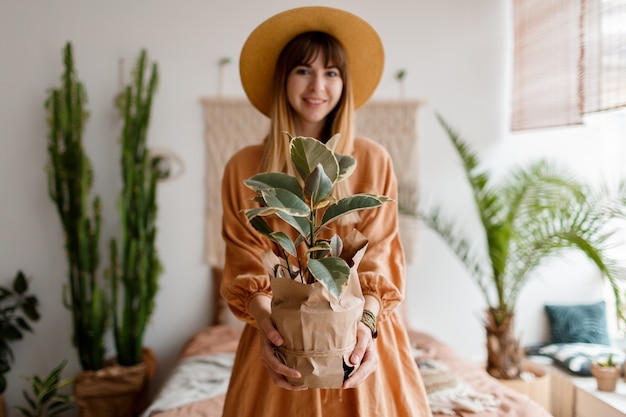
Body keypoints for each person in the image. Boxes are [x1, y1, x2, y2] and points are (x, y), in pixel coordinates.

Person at [220, 6, 432, 417]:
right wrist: (268, 329)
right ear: (283, 78)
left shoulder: (372, 160)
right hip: (279, 345)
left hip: (359, 344)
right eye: (303, 69)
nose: (318, 85)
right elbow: (244, 262)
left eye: (332, 72)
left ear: (344, 84)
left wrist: (368, 330)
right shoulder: (246, 168)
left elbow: (381, 259)